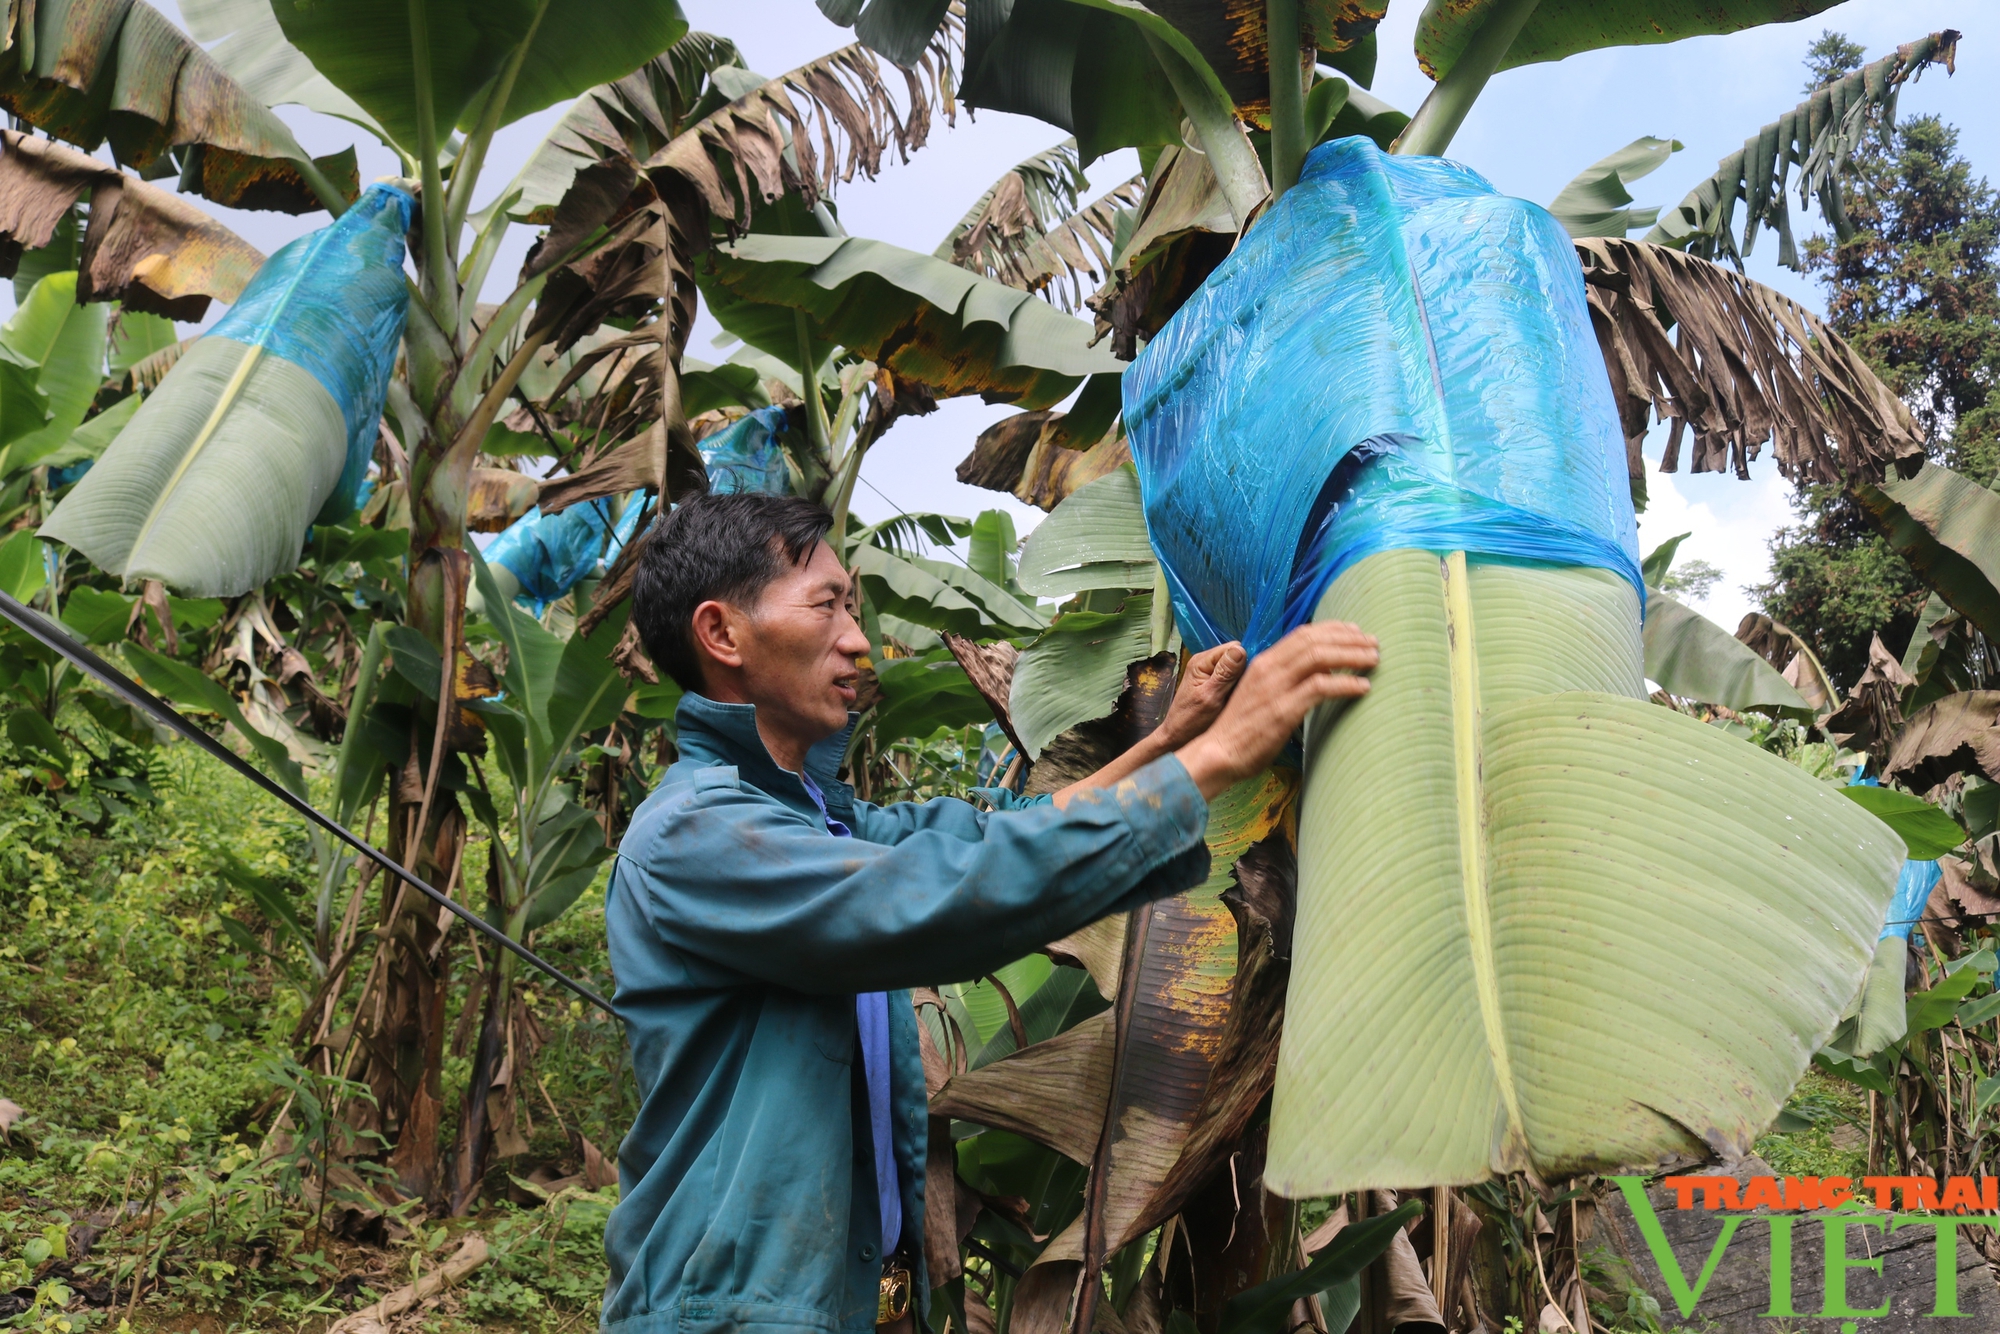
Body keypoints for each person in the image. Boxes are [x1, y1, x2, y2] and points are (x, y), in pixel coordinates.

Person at [601, 492, 1378, 1334]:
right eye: (826, 606)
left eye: (853, 608)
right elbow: (937, 895)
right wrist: (1223, 759)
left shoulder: (820, 823)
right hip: (727, 1311)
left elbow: (998, 838)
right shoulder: (698, 835)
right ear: (722, 635)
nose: (858, 639)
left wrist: (1172, 746)